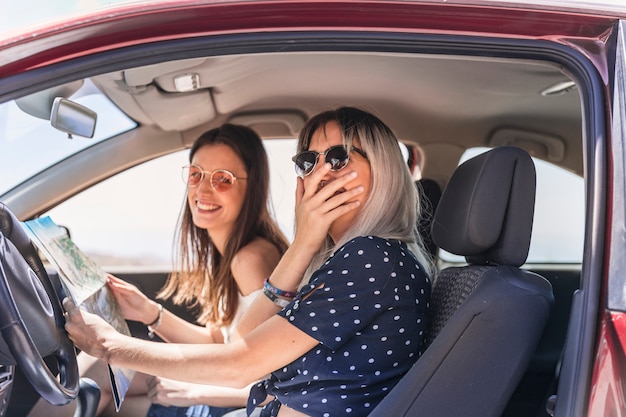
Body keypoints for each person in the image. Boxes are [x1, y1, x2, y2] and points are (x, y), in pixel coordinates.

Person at [64, 106, 434, 417]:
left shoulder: (373, 259)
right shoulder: (346, 261)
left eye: (337, 157)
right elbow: (242, 339)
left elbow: (240, 365)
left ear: (382, 170)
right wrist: (304, 242)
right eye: (308, 161)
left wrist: (110, 345)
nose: (320, 173)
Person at [30, 124, 289, 417]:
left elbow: (268, 372)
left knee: (101, 379)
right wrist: (150, 313)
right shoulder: (231, 255)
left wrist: (194, 392)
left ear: (252, 187)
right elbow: (220, 341)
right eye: (196, 175)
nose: (203, 189)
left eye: (222, 180)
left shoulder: (251, 259)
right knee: (104, 383)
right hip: (226, 387)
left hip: (241, 402)